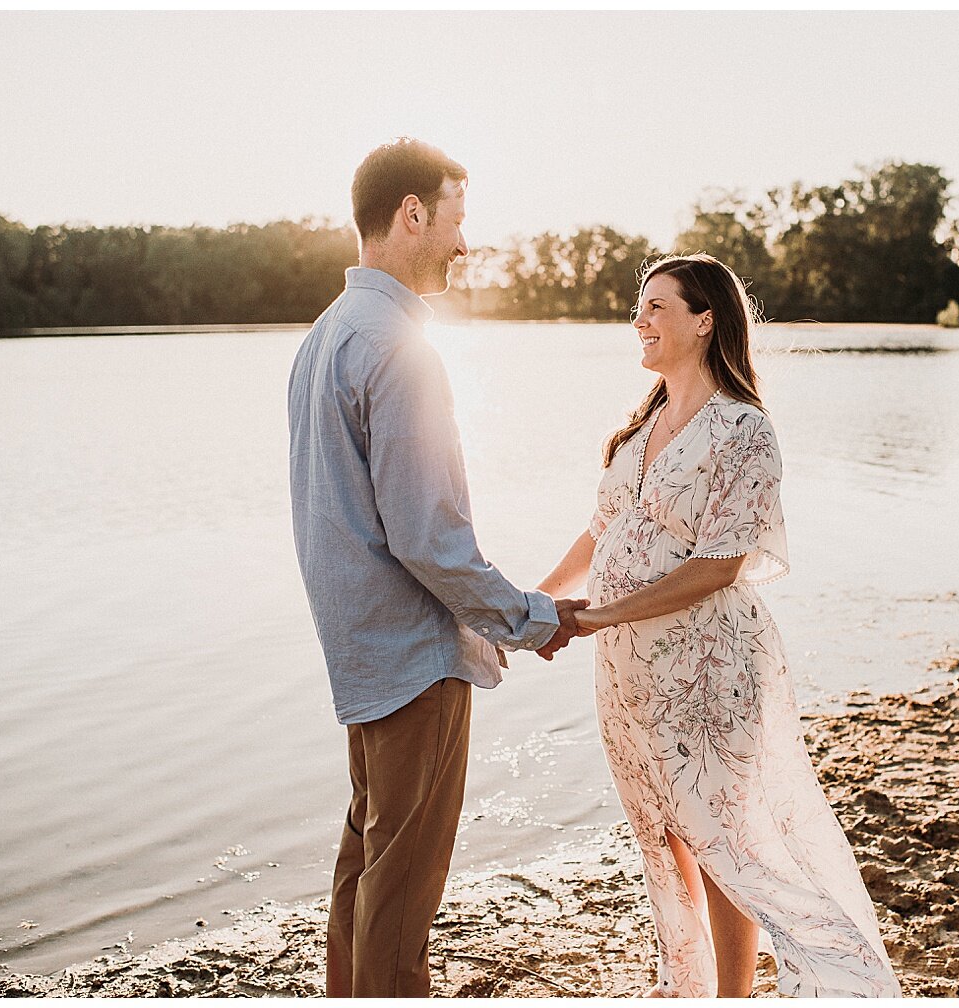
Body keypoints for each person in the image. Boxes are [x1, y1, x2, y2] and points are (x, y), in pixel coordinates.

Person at [537, 254, 902, 997]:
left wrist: (591, 617)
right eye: (638, 307)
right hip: (630, 676)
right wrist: (532, 605)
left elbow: (719, 566)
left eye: (656, 307)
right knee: (667, 836)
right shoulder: (635, 434)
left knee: (723, 838)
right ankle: (692, 987)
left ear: (706, 321)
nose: (638, 320)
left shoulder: (743, 431)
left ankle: (739, 996)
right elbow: (599, 535)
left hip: (709, 667)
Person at [288, 137, 585, 998]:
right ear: (412, 214)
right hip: (413, 661)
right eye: (458, 221)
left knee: (366, 858)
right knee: (404, 893)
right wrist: (530, 619)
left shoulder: (323, 338)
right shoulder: (396, 346)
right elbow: (429, 538)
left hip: (358, 652)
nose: (465, 245)